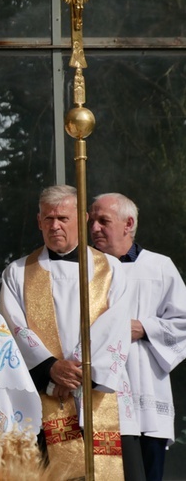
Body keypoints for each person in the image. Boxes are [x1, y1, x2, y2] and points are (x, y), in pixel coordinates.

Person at [0, 185, 141, 479]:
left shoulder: (111, 269)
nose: (55, 226)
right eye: (48, 219)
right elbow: (12, 328)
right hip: (45, 397)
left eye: (63, 218)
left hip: (100, 394)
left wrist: (76, 370)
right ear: (38, 222)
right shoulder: (17, 272)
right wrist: (50, 369)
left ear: (82, 218)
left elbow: (114, 327)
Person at [90, 192, 186, 481]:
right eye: (91, 220)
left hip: (146, 393)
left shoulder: (159, 267)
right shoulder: (84, 270)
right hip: (98, 396)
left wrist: (144, 328)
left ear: (128, 223)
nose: (94, 228)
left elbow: (183, 321)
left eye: (103, 220)